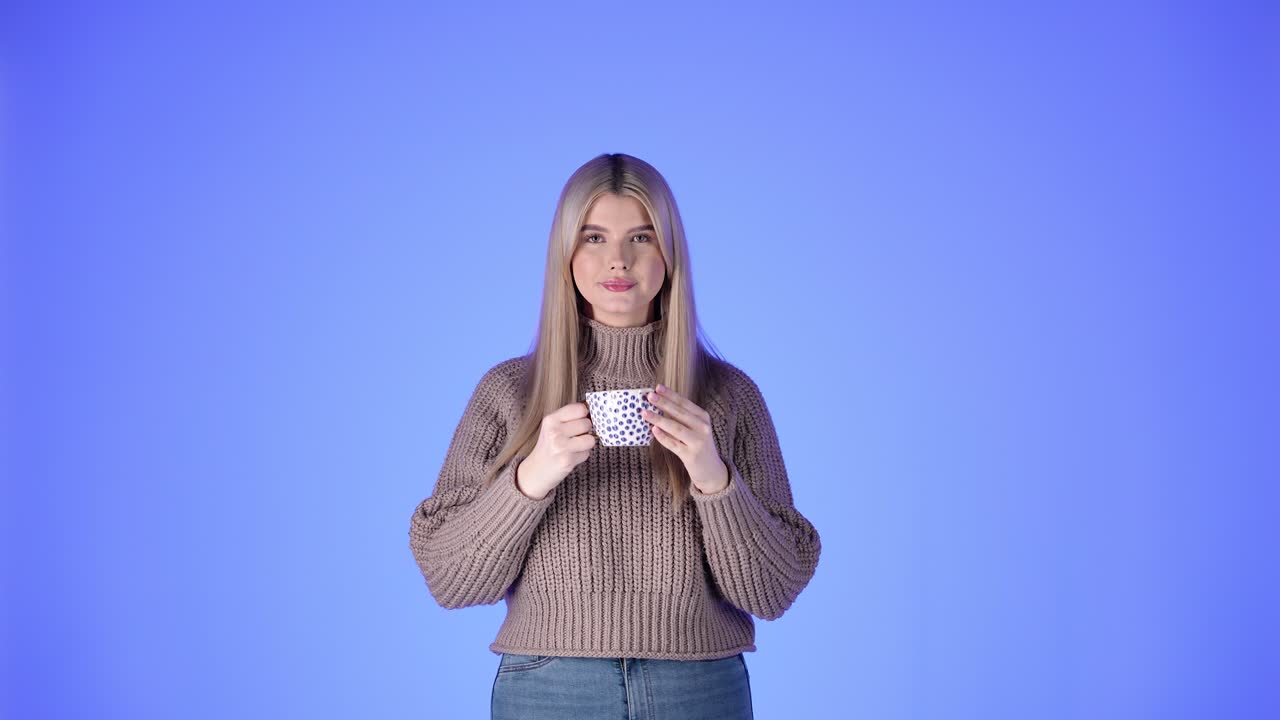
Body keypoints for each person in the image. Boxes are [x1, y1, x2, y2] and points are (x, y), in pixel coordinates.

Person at [408, 152, 822, 719]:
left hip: (698, 683)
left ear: (670, 254)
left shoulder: (728, 395)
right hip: (548, 683)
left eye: (643, 237)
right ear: (566, 254)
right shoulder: (509, 392)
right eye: (594, 236)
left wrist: (714, 478)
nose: (619, 260)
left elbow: (773, 592)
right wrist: (530, 479)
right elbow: (450, 580)